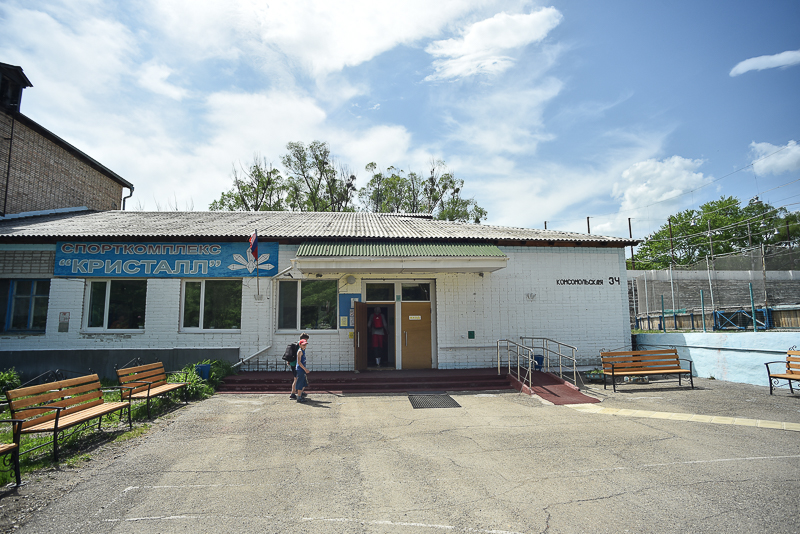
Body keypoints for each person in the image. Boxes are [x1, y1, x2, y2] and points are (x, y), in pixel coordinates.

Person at [289, 333, 309, 400]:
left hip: (293, 363)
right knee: (297, 379)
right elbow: (299, 360)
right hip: (297, 365)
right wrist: (304, 368)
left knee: (297, 379)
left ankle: (297, 393)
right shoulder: (299, 347)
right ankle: (294, 394)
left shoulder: (295, 344)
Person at [295, 338, 310, 403]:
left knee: (304, 383)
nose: (304, 346)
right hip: (300, 369)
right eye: (303, 345)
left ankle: (300, 395)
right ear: (300, 345)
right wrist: (305, 369)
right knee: (300, 383)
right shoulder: (300, 351)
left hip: (302, 369)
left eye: (305, 345)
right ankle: (299, 397)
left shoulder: (303, 351)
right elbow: (299, 362)